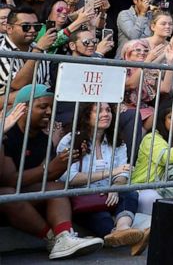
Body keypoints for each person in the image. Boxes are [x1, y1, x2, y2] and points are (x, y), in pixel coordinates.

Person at [0, 84, 106, 259]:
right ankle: (52, 238)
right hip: (7, 196)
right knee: (7, 194)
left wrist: (65, 162)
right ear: (23, 109)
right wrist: (48, 168)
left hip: (24, 193)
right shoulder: (7, 134)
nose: (49, 112)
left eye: (51, 107)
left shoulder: (43, 139)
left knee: (57, 187)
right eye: (42, 107)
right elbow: (8, 180)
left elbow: (47, 177)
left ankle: (64, 236)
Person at [55, 102, 148, 251]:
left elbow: (123, 172)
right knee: (98, 214)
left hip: (108, 194)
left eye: (108, 110)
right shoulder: (70, 140)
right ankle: (118, 234)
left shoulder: (117, 140)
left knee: (130, 194)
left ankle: (122, 228)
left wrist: (115, 187)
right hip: (83, 196)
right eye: (99, 111)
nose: (106, 114)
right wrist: (110, 173)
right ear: (86, 117)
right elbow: (69, 178)